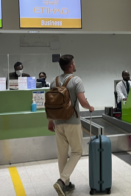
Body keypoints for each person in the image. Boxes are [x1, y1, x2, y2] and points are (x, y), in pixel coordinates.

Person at [47, 55, 94, 195]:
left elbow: (50, 104)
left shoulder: (53, 82)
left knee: (62, 154)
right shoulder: (76, 80)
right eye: (74, 63)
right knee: (77, 151)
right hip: (72, 122)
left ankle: (66, 185)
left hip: (58, 122)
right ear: (71, 66)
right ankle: (62, 180)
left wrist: (50, 121)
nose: (75, 64)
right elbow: (82, 101)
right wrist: (90, 107)